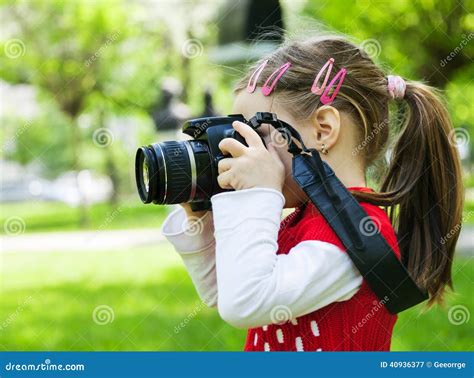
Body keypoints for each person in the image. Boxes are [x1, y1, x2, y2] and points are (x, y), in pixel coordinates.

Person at [161, 35, 463, 351]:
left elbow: (244, 303)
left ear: (323, 130)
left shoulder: (354, 236)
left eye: (260, 136)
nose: (247, 152)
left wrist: (259, 192)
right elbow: (225, 292)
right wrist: (200, 218)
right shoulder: (306, 220)